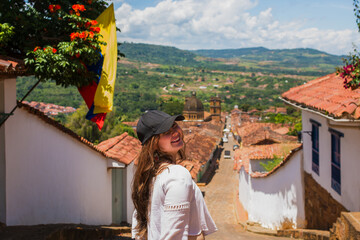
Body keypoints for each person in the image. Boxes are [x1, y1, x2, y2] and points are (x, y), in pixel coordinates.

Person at [131, 110, 217, 240]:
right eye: (166, 132)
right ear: (154, 143)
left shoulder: (149, 179)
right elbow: (174, 236)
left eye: (174, 125)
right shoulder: (177, 175)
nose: (175, 132)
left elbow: (139, 233)